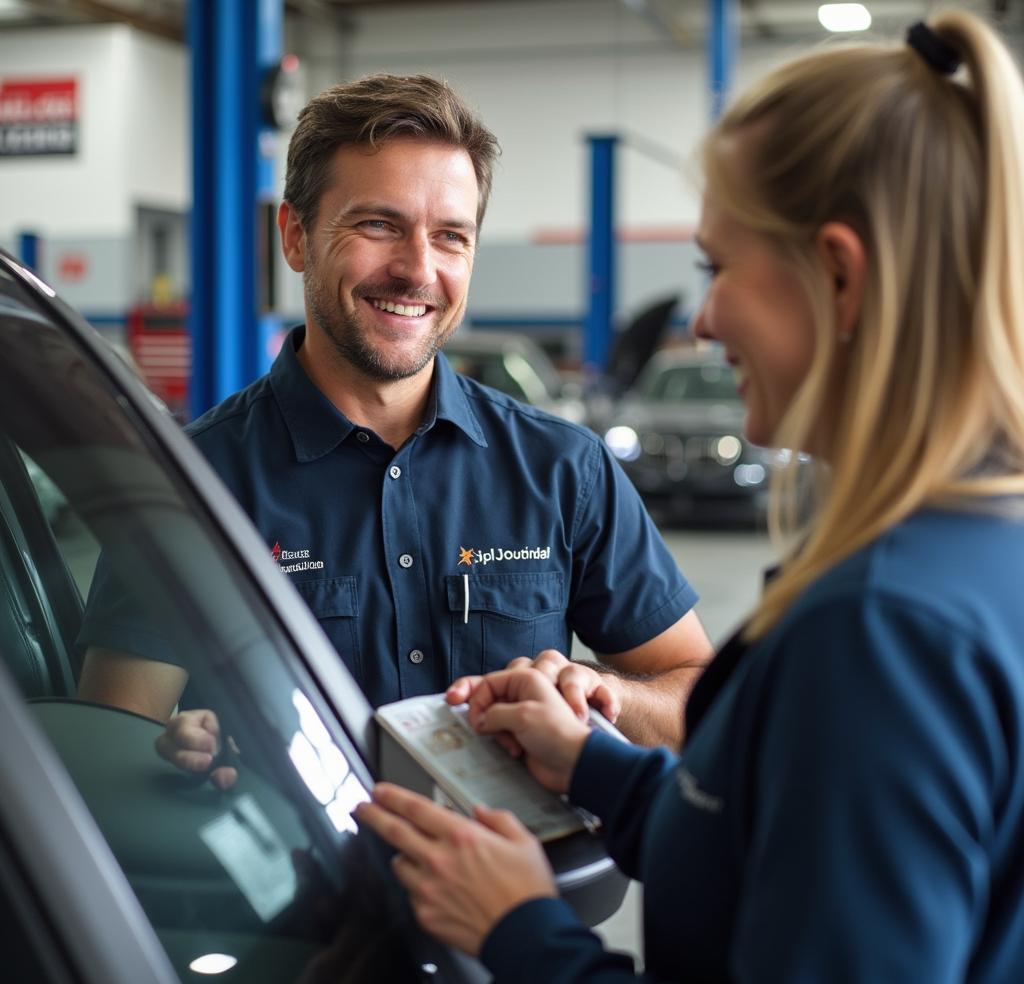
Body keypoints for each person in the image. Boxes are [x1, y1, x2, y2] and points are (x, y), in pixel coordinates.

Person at [356, 14, 1024, 984]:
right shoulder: (975, 557)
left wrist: (523, 934)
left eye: (717, 268)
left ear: (837, 276)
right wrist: (600, 769)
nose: (702, 320)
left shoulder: (880, 630)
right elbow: (787, 844)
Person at [76, 73, 713, 777]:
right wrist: (185, 756)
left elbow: (699, 698)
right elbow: (112, 757)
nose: (418, 270)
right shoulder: (189, 482)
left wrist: (607, 696)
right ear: (295, 236)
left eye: (450, 237)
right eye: (379, 225)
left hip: (521, 881)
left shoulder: (564, 470)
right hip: (296, 881)